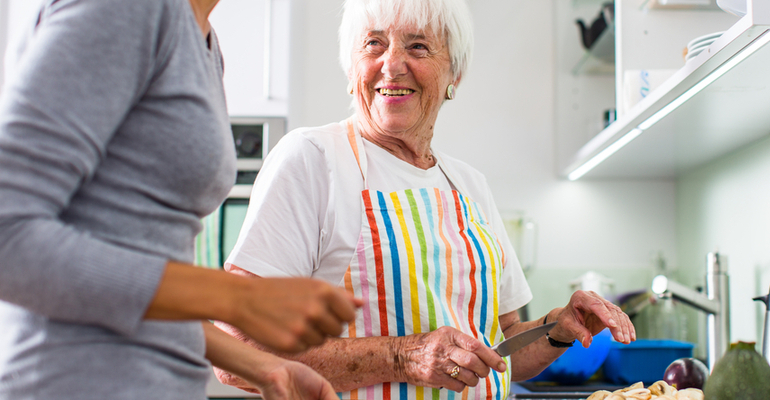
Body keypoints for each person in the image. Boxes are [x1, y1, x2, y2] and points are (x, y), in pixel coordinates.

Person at [215, 0, 636, 398]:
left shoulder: (468, 184)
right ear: (351, 68)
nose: (393, 65)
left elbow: (500, 345)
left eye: (418, 46)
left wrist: (556, 328)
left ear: (454, 74)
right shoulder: (313, 159)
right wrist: (403, 357)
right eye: (374, 44)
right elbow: (236, 349)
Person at [0, 0, 360, 399]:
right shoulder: (125, 9)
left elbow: (141, 286)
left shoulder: (202, 38)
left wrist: (266, 367)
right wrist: (240, 298)